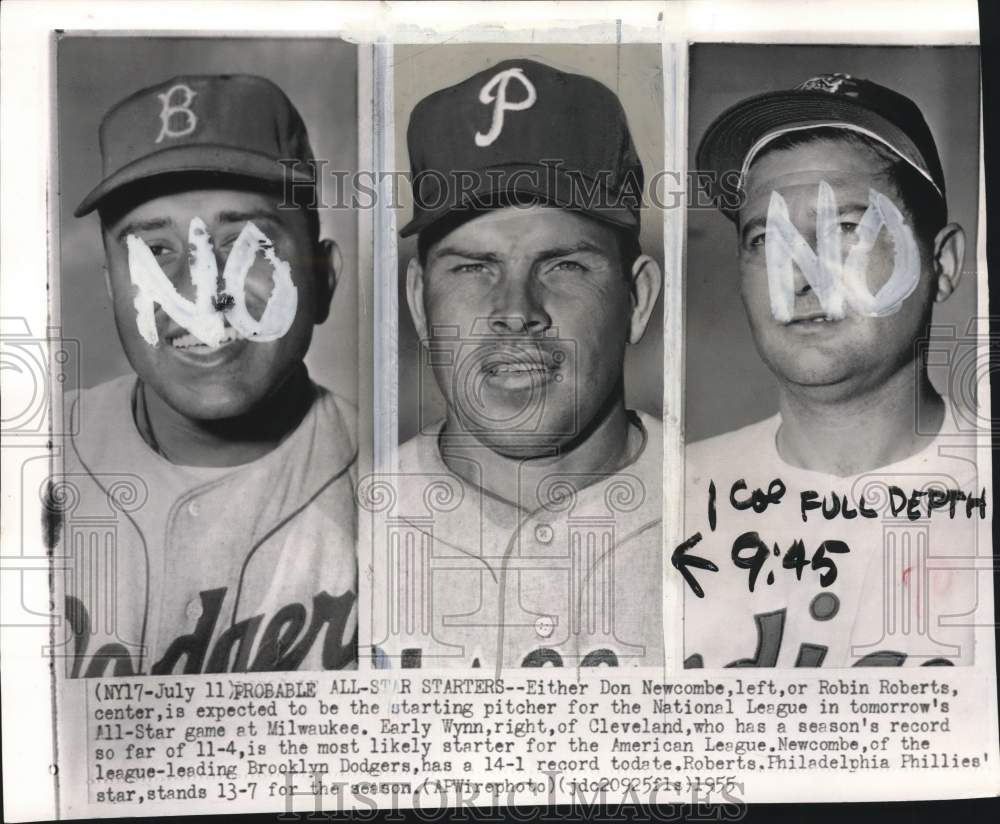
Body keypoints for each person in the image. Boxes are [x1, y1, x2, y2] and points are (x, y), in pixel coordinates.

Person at [50, 74, 358, 676]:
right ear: (113, 286)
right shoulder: (28, 459)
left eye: (245, 241)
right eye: (156, 251)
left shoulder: (397, 493)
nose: (204, 292)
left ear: (322, 277)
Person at [370, 59, 664, 671]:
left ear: (636, 301)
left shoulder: (731, 509)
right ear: (419, 305)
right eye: (473, 267)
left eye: (564, 266)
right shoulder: (342, 527)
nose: (515, 311)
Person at [683, 73, 982, 668]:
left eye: (847, 229)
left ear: (942, 263)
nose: (802, 276)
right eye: (765, 237)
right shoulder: (668, 498)